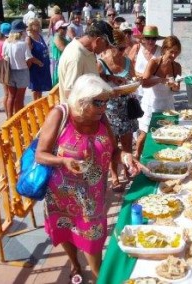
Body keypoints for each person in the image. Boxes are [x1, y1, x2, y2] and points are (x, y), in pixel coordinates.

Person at [36, 74, 140, 281]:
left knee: (93, 239)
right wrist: (63, 161)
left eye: (106, 101)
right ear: (82, 100)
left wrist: (126, 156)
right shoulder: (60, 115)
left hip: (93, 196)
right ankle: (75, 264)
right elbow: (41, 154)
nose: (104, 107)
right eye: (98, 102)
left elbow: (112, 152)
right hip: (61, 193)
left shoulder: (101, 117)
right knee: (65, 228)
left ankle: (100, 276)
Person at [97, 29, 138, 192]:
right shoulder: (101, 63)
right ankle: (114, 176)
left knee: (127, 142)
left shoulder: (127, 62)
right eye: (120, 48)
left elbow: (134, 79)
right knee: (112, 145)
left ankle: (128, 170)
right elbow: (96, 86)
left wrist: (133, 83)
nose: (123, 51)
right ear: (109, 46)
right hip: (109, 109)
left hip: (126, 107)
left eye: (125, 48)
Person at [135, 35, 182, 159]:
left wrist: (175, 86)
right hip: (151, 103)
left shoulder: (177, 67)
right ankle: (138, 158)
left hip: (168, 105)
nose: (173, 56)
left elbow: (176, 89)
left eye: (176, 53)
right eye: (171, 52)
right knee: (144, 135)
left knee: (168, 134)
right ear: (165, 49)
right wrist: (161, 80)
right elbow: (144, 83)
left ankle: (163, 159)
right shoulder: (154, 62)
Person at [57, 19, 116, 103]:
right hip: (80, 113)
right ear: (98, 41)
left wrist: (109, 78)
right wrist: (104, 95)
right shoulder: (76, 57)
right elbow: (70, 93)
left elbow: (89, 78)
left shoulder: (88, 50)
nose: (107, 49)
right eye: (107, 45)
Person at [2, 20, 34, 118]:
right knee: (20, 98)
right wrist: (27, 67)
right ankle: (19, 119)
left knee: (11, 96)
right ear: (21, 31)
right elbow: (29, 59)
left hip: (10, 71)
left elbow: (3, 56)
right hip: (22, 71)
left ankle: (9, 118)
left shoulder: (6, 42)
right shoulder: (22, 44)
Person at [129, 25, 163, 101]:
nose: (151, 41)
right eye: (148, 38)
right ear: (143, 38)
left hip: (156, 91)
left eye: (153, 38)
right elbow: (127, 67)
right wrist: (139, 75)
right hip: (139, 90)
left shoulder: (161, 51)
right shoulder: (137, 48)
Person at [26, 18, 52, 100]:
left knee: (40, 88)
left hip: (44, 66)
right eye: (36, 25)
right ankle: (35, 106)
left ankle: (39, 104)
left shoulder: (40, 36)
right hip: (36, 67)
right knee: (35, 89)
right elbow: (28, 55)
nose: (38, 26)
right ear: (31, 26)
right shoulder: (29, 39)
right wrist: (38, 62)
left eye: (38, 24)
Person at [0, 22, 11, 115]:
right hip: (8, 66)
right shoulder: (8, 42)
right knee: (11, 93)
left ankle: (7, 114)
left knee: (6, 93)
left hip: (1, 66)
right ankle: (10, 112)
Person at [51, 20, 70, 86]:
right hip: (58, 63)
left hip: (63, 62)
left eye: (66, 28)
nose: (66, 30)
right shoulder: (57, 37)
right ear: (58, 29)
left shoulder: (62, 37)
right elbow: (63, 49)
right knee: (58, 83)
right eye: (64, 28)